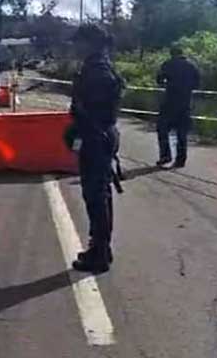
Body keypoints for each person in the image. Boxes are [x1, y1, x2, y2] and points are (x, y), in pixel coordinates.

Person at [70, 24, 124, 274]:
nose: (76, 48)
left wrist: (85, 131)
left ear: (90, 43)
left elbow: (97, 111)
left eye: (79, 42)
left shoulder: (98, 71)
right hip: (96, 136)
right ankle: (100, 247)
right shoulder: (97, 66)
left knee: (97, 197)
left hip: (97, 137)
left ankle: (100, 252)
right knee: (96, 195)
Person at [156, 46, 201, 168]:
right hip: (185, 103)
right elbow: (197, 83)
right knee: (182, 133)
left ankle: (165, 155)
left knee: (162, 129)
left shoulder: (168, 64)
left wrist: (167, 83)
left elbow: (159, 79)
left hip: (169, 102)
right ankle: (180, 160)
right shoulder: (191, 66)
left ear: (171, 54)